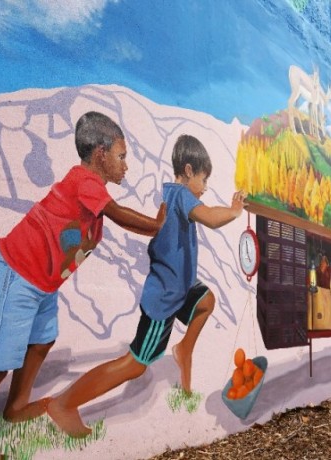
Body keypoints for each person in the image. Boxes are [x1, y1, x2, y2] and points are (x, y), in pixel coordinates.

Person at [0, 112, 166, 460]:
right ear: (100, 155)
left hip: (41, 285)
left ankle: (15, 408)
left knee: (42, 340)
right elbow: (120, 214)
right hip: (15, 274)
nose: (126, 166)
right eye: (121, 157)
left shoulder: (89, 190)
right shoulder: (85, 181)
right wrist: (157, 224)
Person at [47, 134, 246, 438]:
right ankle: (64, 404)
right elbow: (210, 218)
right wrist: (233, 211)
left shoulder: (175, 195)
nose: (205, 188)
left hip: (179, 288)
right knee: (135, 364)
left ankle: (183, 350)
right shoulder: (181, 195)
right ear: (189, 170)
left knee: (206, 301)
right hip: (165, 299)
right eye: (204, 179)